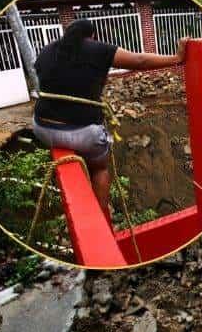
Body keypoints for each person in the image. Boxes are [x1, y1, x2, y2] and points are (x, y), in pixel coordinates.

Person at [31, 18, 189, 221]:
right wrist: (177, 58)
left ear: (66, 33)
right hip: (83, 134)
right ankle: (101, 217)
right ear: (92, 36)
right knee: (100, 168)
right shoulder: (97, 49)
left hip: (43, 129)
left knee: (79, 153)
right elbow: (139, 61)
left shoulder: (46, 51)